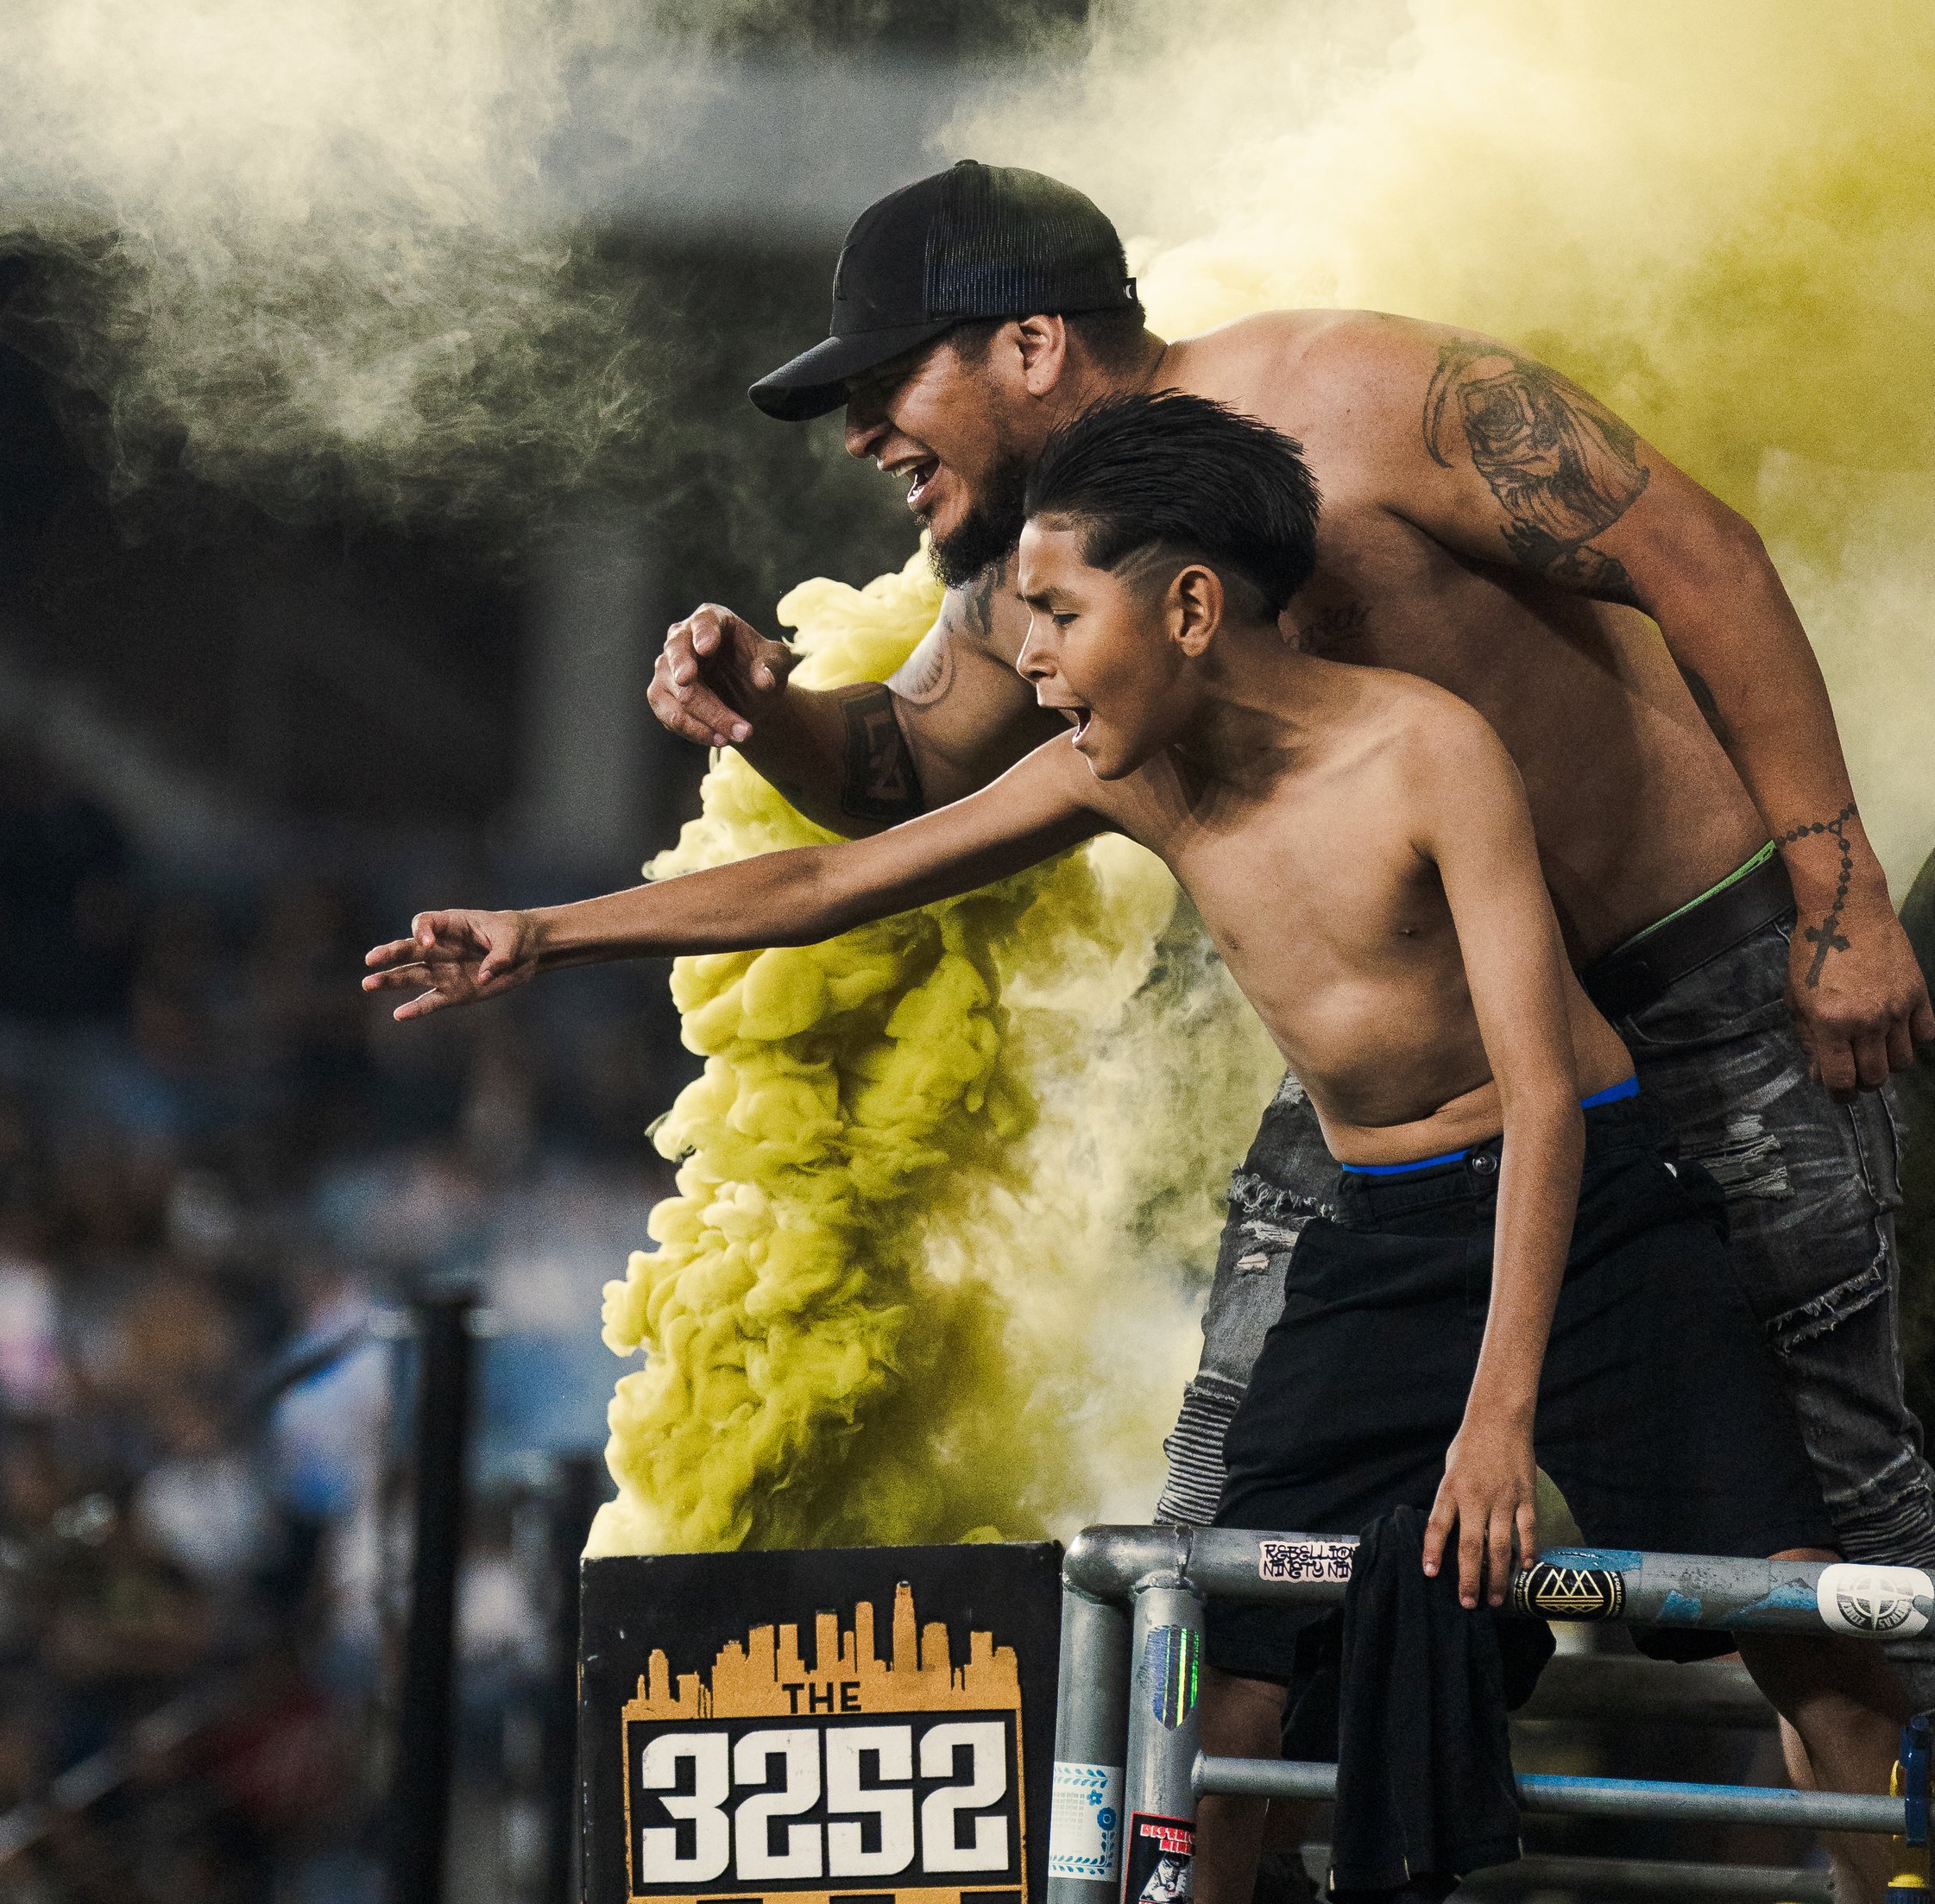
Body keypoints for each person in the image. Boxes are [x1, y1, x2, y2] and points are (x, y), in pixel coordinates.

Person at [381, 393, 1907, 1903]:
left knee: (1797, 1632)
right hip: (1377, 1241)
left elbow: (1543, 1097)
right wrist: (540, 934)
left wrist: (1497, 1418)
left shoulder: (1427, 752)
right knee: (1223, 1673)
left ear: (1188, 606)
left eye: (1053, 612)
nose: (1026, 656)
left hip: (1594, 1215)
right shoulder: (1128, 773)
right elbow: (823, 887)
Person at [649, 161, 1935, 1864]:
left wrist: (1835, 888)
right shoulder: (1042, 571)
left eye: (884, 387)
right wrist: (768, 715)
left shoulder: (1355, 390)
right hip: (1417, 1073)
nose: (859, 435)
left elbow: (1697, 558)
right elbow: (893, 777)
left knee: (1827, 1550)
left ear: (1028, 342)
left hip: (1695, 976)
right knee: (1220, 1556)